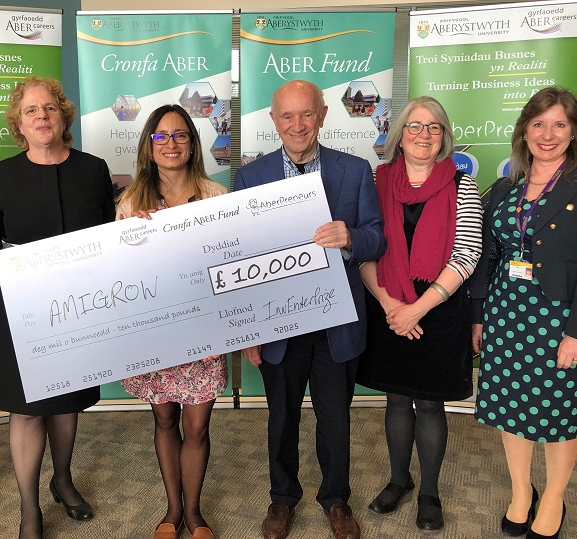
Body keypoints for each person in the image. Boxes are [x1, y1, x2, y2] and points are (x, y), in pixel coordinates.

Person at [234, 80, 386, 539]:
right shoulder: (250, 177)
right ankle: (282, 500)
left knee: (335, 418)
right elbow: (240, 256)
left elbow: (377, 237)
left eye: (306, 115)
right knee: (281, 417)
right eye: (287, 116)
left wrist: (351, 238)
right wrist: (249, 332)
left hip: (336, 321)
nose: (297, 125)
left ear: (322, 115)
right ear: (273, 120)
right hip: (278, 325)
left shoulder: (356, 170)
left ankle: (336, 499)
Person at [0, 75, 115, 539]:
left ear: (63, 115)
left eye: (50, 108)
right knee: (28, 409)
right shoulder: (3, 174)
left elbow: (108, 235)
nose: (42, 117)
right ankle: (30, 510)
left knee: (66, 402)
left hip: (77, 306)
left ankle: (63, 479)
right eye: (31, 111)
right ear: (19, 122)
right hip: (20, 311)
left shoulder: (92, 170)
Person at [355, 96, 483, 531]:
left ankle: (429, 491)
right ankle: (398, 480)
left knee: (429, 403)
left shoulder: (461, 184)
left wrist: (418, 309)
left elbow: (467, 254)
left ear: (444, 136)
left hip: (440, 308)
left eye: (433, 127)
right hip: (388, 304)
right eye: (415, 126)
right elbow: (364, 249)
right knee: (395, 398)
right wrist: (393, 306)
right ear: (399, 135)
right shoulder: (378, 181)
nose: (423, 134)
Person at [469, 86, 577, 539]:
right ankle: (522, 492)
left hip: (559, 321)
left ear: (574, 130)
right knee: (508, 409)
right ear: (524, 131)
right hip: (505, 316)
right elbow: (486, 255)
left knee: (558, 415)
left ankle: (554, 498)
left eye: (559, 124)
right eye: (538, 124)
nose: (547, 134)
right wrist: (479, 316)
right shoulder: (505, 187)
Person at [117, 104, 227, 539]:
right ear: (148, 145)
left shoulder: (217, 196)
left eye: (180, 135)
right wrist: (134, 238)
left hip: (204, 331)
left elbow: (229, 261)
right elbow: (120, 276)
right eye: (161, 136)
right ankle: (172, 510)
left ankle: (195, 513)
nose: (171, 144)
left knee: (196, 425)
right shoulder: (131, 201)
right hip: (154, 333)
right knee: (164, 420)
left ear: (193, 144)